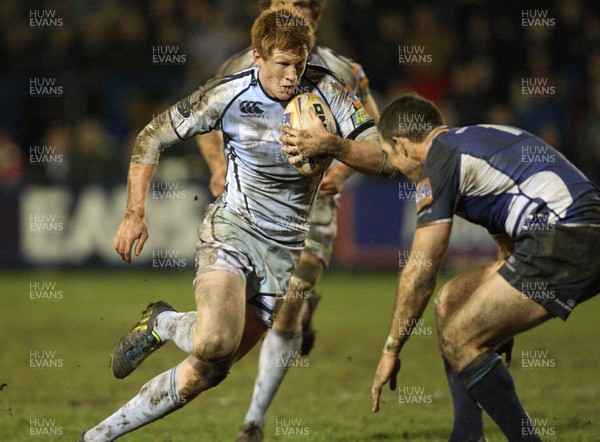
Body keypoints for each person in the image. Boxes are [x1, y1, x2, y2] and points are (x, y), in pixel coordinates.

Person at [79, 6, 394, 441]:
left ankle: (99, 431)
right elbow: (153, 135)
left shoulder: (330, 89)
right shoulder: (227, 93)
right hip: (233, 231)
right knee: (213, 342)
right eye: (282, 64)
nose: (291, 75)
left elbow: (384, 157)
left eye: (299, 64)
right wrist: (134, 213)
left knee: (210, 370)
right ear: (258, 57)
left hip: (283, 255)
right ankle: (162, 326)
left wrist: (334, 145)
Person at [365, 93, 600, 441]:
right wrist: (501, 322)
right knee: (453, 302)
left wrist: (391, 350)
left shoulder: (439, 160)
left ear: (400, 144)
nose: (393, 167)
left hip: (564, 235)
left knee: (461, 337)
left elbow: (421, 270)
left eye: (388, 154)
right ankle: (467, 435)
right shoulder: (475, 140)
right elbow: (508, 245)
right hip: (577, 230)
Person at [195, 1, 380, 440]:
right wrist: (218, 168)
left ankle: (253, 421)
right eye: (284, 3)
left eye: (303, 6)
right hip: (250, 205)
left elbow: (373, 127)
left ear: (316, 19)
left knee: (287, 306)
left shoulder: (342, 70)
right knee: (251, 308)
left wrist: (343, 165)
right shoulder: (240, 65)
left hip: (311, 208)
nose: (292, 11)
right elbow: (204, 123)